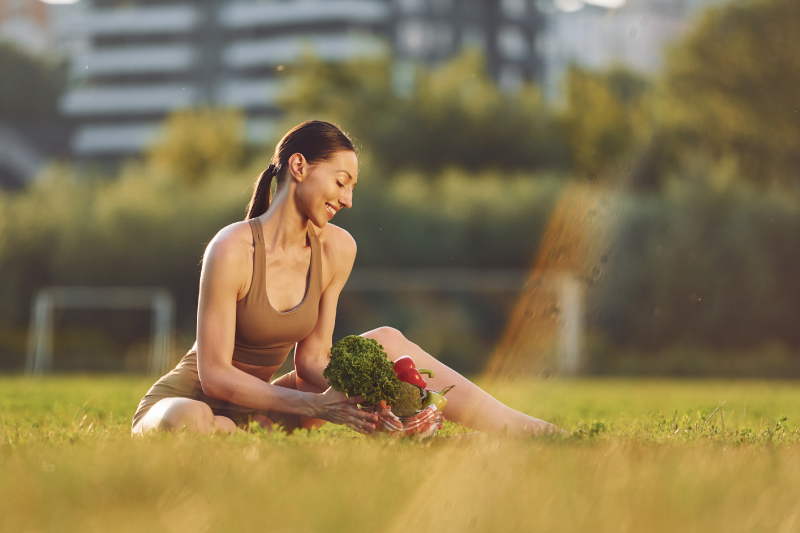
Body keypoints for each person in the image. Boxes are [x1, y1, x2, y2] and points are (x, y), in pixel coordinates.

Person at [131, 120, 561, 437]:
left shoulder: (337, 249)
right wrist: (317, 405)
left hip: (258, 411)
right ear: (298, 166)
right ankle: (224, 438)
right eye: (341, 181)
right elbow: (216, 378)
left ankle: (529, 432)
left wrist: (384, 403)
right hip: (185, 404)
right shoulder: (232, 249)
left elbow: (313, 362)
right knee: (192, 420)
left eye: (352, 186)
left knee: (388, 339)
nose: (348, 199)